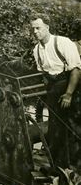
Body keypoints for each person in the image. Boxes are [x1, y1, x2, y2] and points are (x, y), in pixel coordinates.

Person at [31, 14, 81, 171]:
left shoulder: (62, 43)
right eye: (32, 29)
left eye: (38, 28)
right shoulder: (37, 50)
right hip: (54, 87)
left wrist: (69, 94)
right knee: (55, 126)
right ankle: (59, 165)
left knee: (73, 125)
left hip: (71, 85)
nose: (35, 32)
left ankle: (75, 164)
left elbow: (76, 70)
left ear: (47, 27)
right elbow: (43, 74)